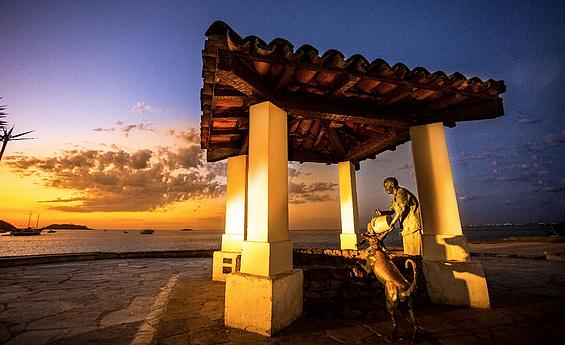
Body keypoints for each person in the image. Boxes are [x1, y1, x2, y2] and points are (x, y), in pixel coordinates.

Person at [371, 177, 422, 255]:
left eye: (386, 186)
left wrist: (392, 223)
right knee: (409, 253)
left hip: (413, 226)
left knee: (415, 254)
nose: (385, 189)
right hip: (406, 229)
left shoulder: (402, 192)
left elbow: (402, 209)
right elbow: (391, 211)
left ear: (392, 184)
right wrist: (382, 213)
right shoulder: (395, 199)